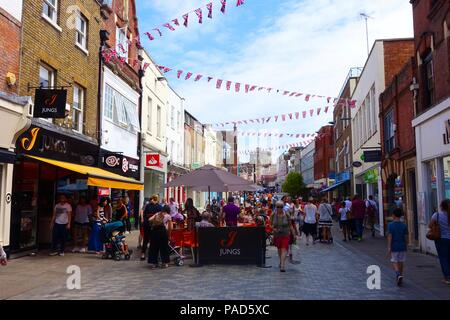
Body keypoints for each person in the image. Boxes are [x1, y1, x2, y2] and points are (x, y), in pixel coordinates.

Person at [271, 201, 296, 273]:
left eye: (281, 207)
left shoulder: (287, 215)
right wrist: (274, 229)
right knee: (279, 249)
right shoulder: (273, 215)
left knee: (284, 249)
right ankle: (281, 261)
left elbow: (290, 225)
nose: (279, 208)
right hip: (277, 234)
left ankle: (282, 265)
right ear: (276, 207)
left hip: (286, 234)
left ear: (283, 207)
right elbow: (270, 225)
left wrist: (294, 234)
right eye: (278, 207)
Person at [430, 199, 450, 284]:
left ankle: (447, 277)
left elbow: (430, 225)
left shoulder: (436, 215)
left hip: (441, 239)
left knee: (443, 258)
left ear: (441, 206)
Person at [387, 208, 408, 286]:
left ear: (393, 215)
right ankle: (400, 275)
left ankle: (398, 274)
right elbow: (406, 237)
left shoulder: (390, 225)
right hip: (402, 245)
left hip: (394, 245)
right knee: (401, 261)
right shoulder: (404, 225)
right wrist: (405, 245)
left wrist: (389, 247)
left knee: (394, 260)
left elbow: (390, 236)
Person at [141, 195, 163, 260]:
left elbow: (145, 215)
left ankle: (144, 254)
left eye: (152, 199)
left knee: (146, 240)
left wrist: (145, 221)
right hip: (154, 225)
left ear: (154, 199)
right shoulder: (159, 207)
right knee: (151, 240)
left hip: (149, 225)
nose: (151, 200)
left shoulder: (149, 206)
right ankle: (149, 254)